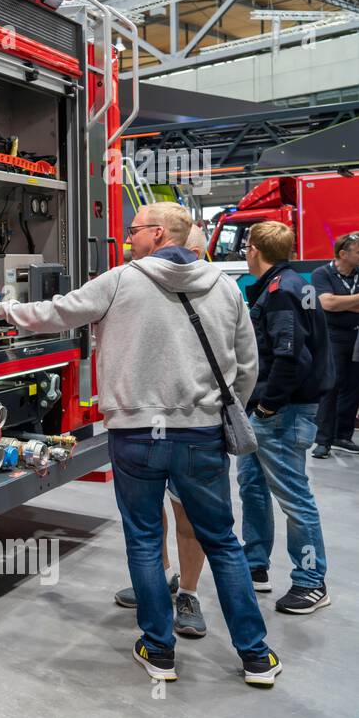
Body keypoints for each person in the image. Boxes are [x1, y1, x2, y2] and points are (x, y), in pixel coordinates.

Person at [0, 202, 280, 686]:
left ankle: (160, 651)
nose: (128, 237)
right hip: (201, 437)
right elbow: (248, 367)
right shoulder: (226, 288)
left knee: (143, 538)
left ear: (159, 234)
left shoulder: (121, 281)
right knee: (222, 539)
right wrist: (213, 413)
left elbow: (55, 313)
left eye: (134, 230)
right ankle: (256, 656)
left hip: (136, 434)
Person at [112, 224, 213, 638]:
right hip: (146, 424)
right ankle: (160, 579)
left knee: (188, 514)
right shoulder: (138, 283)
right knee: (150, 510)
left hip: (191, 424)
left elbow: (241, 362)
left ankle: (188, 594)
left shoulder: (215, 288)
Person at [239, 222, 333, 614]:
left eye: (247, 245)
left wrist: (267, 406)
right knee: (252, 487)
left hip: (282, 410)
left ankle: (311, 581)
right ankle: (255, 564)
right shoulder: (295, 283)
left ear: (255, 249)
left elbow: (290, 356)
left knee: (294, 496)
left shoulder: (281, 293)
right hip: (272, 408)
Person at [310, 232, 359, 458]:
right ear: (343, 254)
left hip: (357, 336)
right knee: (331, 386)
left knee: (354, 387)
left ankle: (343, 435)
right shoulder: (322, 274)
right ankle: (323, 440)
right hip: (333, 337)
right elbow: (326, 302)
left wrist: (342, 303)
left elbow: (335, 302)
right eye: (358, 251)